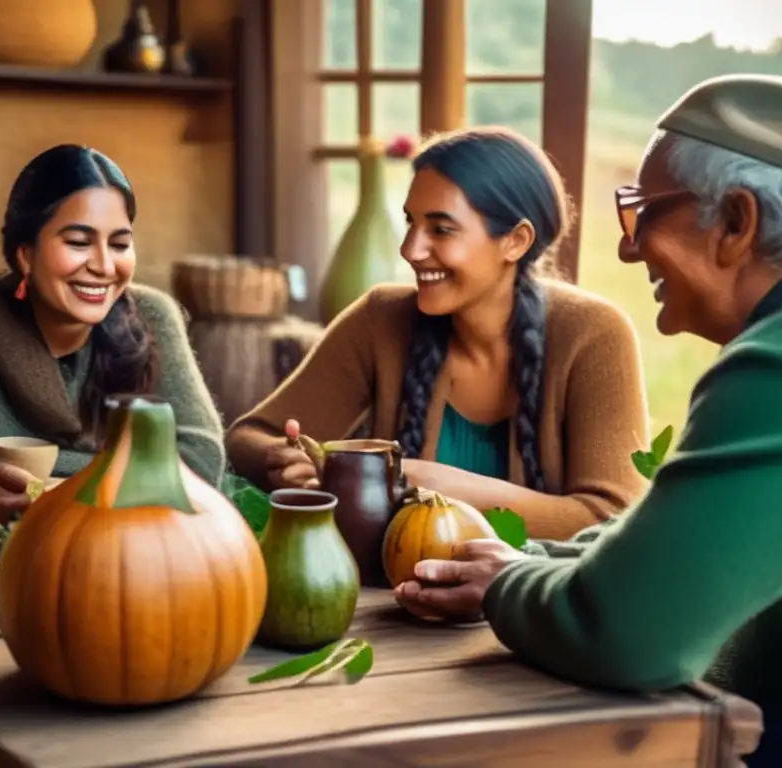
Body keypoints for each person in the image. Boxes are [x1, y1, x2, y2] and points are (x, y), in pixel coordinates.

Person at [392, 74, 782, 767]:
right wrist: (530, 561)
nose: (628, 249)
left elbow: (632, 634)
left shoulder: (769, 368)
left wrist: (507, 583)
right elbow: (679, 544)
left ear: (736, 223)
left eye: (642, 213)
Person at [225, 127, 649, 540]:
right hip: (393, 599)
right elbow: (247, 437)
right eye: (411, 222)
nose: (410, 249)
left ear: (516, 241)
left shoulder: (594, 335)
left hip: (529, 605)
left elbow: (613, 520)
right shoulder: (380, 319)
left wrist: (437, 486)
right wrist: (280, 459)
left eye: (441, 229)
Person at [0, 145, 225, 532]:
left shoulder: (153, 316)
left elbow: (199, 459)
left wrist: (56, 491)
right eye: (78, 242)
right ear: (26, 254)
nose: (104, 266)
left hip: (145, 546)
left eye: (119, 244)